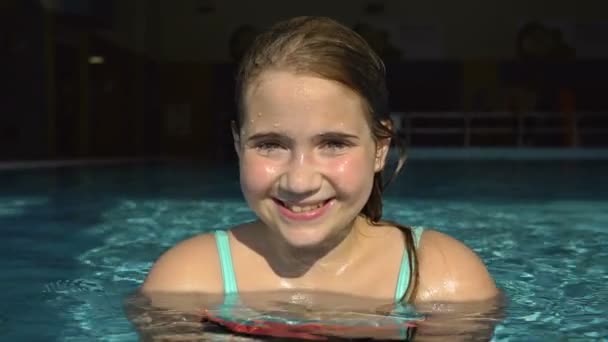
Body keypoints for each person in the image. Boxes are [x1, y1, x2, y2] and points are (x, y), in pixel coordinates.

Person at [141, 15, 497, 321]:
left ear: (380, 148)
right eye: (270, 145)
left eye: (334, 144)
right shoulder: (187, 281)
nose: (300, 181)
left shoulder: (443, 280)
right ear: (238, 145)